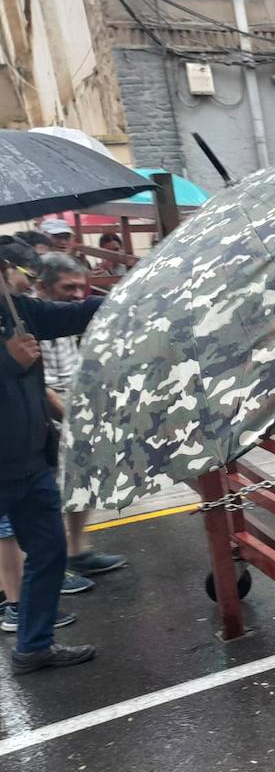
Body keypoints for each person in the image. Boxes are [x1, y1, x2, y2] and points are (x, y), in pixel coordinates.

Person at [1, 253, 101, 674]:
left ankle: (34, 645)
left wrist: (136, 293)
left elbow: (75, 315)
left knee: (50, 551)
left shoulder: (18, 310)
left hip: (28, 463)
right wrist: (7, 364)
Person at [34, 253, 127, 581]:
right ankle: (50, 568)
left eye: (80, 287)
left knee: (80, 478)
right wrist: (72, 414)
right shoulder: (32, 318)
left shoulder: (63, 316)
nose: (77, 293)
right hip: (48, 413)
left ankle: (76, 552)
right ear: (42, 286)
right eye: (68, 286)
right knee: (43, 494)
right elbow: (39, 382)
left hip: (72, 405)